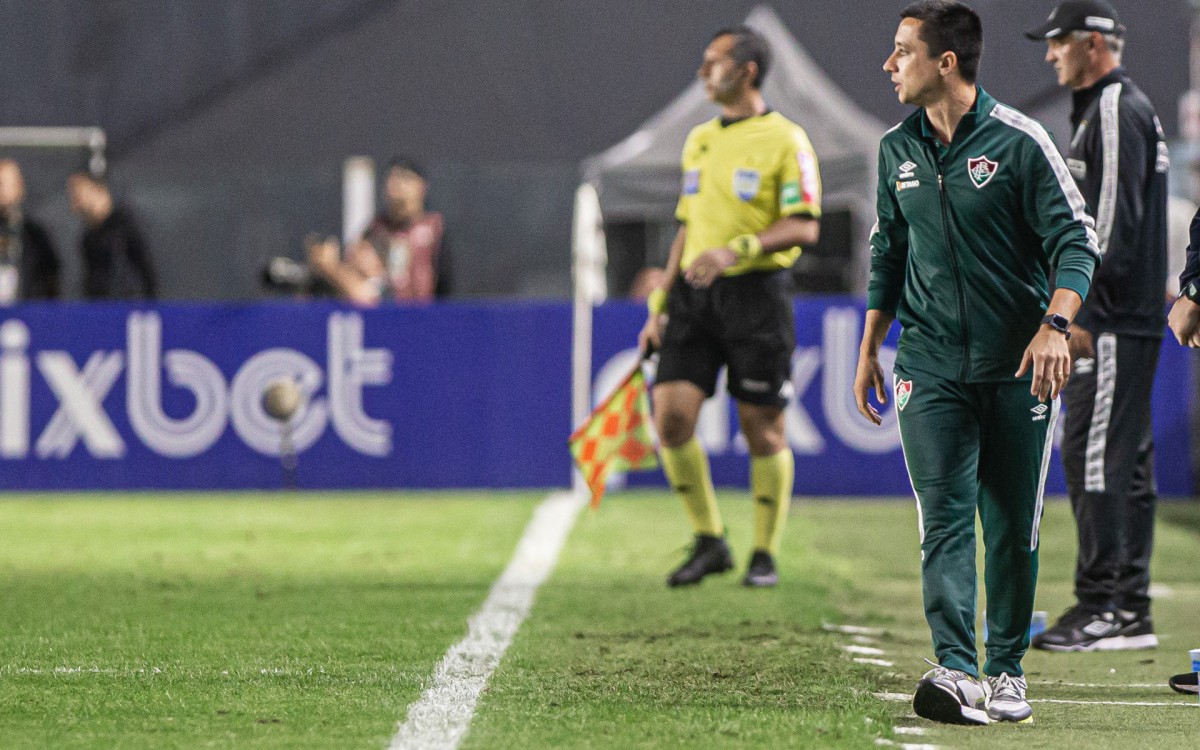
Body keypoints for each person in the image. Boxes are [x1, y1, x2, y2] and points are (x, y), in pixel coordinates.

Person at [853, 1, 1100, 725]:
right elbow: (887, 254)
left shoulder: (1021, 141)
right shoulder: (895, 150)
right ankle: (957, 668)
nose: (889, 65)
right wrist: (869, 348)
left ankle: (1007, 670)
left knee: (1012, 524)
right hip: (927, 365)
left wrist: (1055, 326)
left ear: (946, 61)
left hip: (1020, 367)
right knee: (944, 517)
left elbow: (1076, 240)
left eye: (903, 51)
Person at [638, 25, 821, 589]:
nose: (703, 72)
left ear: (746, 71)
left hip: (756, 294)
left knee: (761, 428)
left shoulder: (786, 139)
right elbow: (686, 227)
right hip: (693, 297)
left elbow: (805, 226)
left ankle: (764, 553)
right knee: (670, 419)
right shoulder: (699, 139)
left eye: (713, 62)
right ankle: (710, 540)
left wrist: (735, 250)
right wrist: (660, 304)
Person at [1023, 0, 1169, 654]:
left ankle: (1103, 605)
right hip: (1123, 317)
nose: (1050, 54)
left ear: (1092, 43)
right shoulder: (1112, 107)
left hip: (1108, 319)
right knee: (1123, 461)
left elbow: (1107, 226)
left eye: (1059, 42)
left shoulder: (1113, 107)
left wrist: (1074, 311)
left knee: (1095, 457)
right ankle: (1127, 608)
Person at [310, 156, 451, 304]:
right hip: (385, 310)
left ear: (421, 186)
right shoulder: (376, 230)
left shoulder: (434, 228)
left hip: (423, 313)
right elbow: (367, 289)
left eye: (405, 178)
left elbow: (446, 283)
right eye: (392, 178)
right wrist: (331, 268)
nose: (398, 185)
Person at [66, 170, 156, 299]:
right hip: (99, 306)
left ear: (97, 189)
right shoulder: (89, 236)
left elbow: (145, 271)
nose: (74, 198)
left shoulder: (125, 227)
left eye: (78, 191)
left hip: (126, 305)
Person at [0, 159, 61, 303]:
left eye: (2, 184)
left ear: (19, 187)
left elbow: (50, 275)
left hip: (26, 309)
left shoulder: (34, 234)